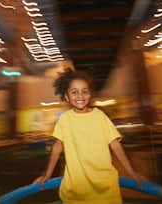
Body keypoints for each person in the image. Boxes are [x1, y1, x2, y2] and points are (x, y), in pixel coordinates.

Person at [33, 68, 143, 204]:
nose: (80, 96)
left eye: (85, 91)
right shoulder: (65, 120)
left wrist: (132, 172)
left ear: (90, 94)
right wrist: (47, 175)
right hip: (77, 189)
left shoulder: (100, 116)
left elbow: (115, 144)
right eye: (74, 92)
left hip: (105, 187)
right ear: (66, 96)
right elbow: (57, 147)